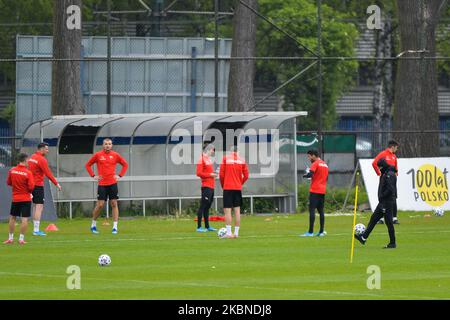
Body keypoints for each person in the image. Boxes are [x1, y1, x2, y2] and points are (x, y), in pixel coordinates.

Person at [85, 138, 128, 235]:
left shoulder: (115, 155)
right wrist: (93, 175)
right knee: (100, 205)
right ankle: (93, 224)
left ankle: (115, 227)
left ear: (111, 145)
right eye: (106, 144)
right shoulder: (98, 155)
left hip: (113, 183)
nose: (107, 145)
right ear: (103, 145)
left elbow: (125, 165)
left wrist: (120, 175)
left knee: (114, 204)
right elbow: (88, 165)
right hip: (102, 184)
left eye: (109, 144)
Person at [355, 158, 397, 249]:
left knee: (388, 222)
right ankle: (363, 237)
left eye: (380, 167)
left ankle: (393, 243)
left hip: (387, 202)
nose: (379, 169)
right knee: (374, 218)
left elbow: (390, 190)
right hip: (384, 201)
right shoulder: (387, 173)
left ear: (383, 166)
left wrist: (382, 196)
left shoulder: (389, 174)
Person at [27, 142, 62, 236]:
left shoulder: (32, 157)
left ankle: (35, 229)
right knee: (39, 207)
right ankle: (36, 230)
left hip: (30, 185)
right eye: (46, 149)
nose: (47, 150)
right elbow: (48, 173)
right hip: (38, 185)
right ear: (41, 149)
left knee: (35, 206)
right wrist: (56, 183)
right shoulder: (41, 159)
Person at [4, 153, 35, 245]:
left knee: (12, 218)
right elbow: (31, 187)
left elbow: (9, 182)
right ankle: (21, 239)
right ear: (25, 160)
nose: (28, 162)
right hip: (25, 198)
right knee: (24, 219)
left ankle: (10, 238)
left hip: (15, 198)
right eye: (28, 160)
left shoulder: (12, 170)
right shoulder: (28, 173)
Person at [219, 145, 249, 238]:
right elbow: (246, 175)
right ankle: (236, 233)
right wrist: (240, 183)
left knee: (227, 211)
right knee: (237, 211)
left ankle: (228, 233)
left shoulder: (225, 159)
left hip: (227, 187)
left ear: (231, 152)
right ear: (237, 152)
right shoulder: (242, 160)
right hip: (237, 188)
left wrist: (223, 185)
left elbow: (221, 175)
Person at [301, 150, 329, 237]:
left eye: (309, 156)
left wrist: (305, 175)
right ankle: (321, 232)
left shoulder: (315, 163)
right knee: (321, 211)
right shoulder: (325, 164)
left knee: (312, 210)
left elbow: (310, 175)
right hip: (322, 190)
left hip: (315, 190)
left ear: (313, 155)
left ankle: (310, 232)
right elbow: (323, 177)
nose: (309, 158)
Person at [372, 140, 399, 225]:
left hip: (392, 180)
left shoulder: (394, 156)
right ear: (392, 146)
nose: (396, 149)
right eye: (396, 148)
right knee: (382, 197)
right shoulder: (383, 154)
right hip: (384, 180)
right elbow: (374, 163)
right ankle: (382, 218)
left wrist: (395, 174)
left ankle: (394, 218)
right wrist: (379, 173)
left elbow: (396, 167)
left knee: (393, 197)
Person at [195, 144, 218, 232]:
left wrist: (214, 174)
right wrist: (210, 175)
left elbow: (208, 172)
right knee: (203, 206)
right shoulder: (201, 159)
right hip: (206, 186)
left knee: (207, 207)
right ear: (208, 149)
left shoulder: (208, 159)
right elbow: (198, 173)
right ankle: (199, 227)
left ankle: (207, 226)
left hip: (211, 186)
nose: (213, 152)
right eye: (213, 150)